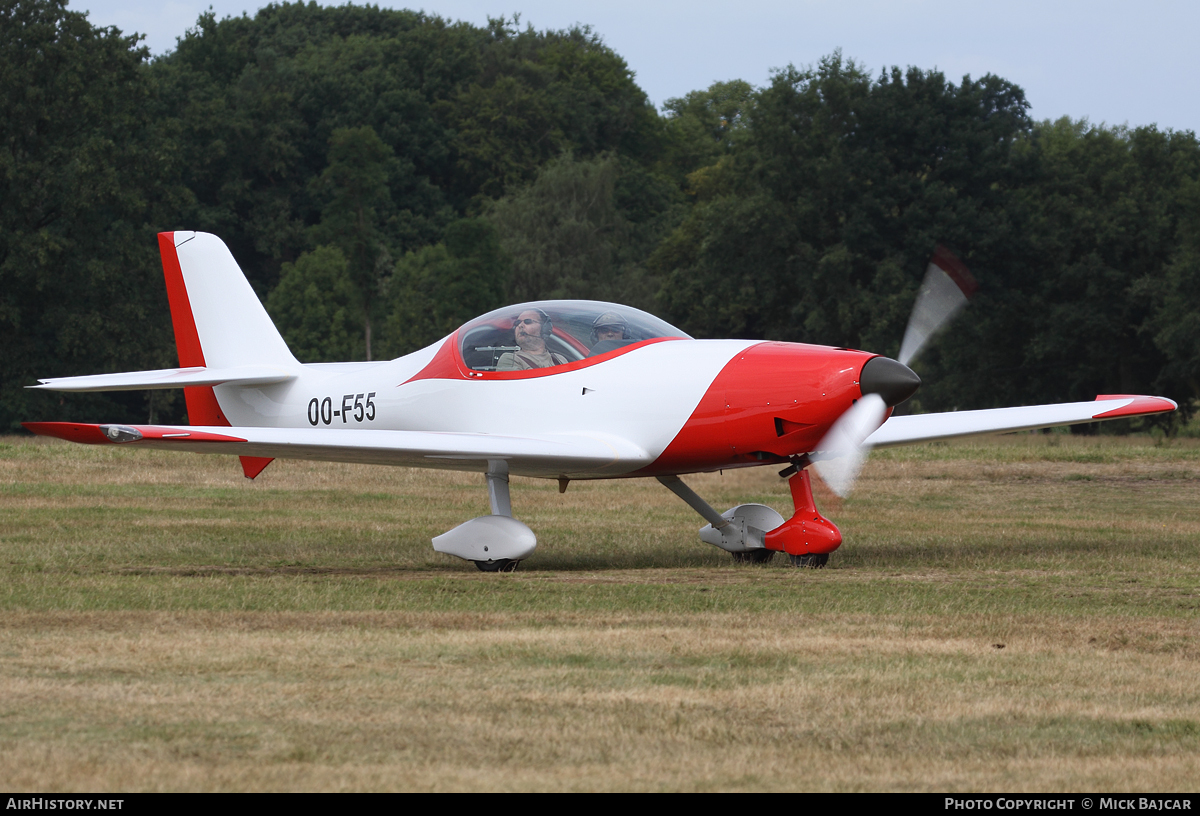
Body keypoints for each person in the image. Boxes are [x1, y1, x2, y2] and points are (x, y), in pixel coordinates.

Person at [496, 309, 568, 371]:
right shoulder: (510, 360)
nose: (520, 325)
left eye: (527, 321)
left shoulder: (560, 360)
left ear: (544, 328)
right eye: (517, 323)